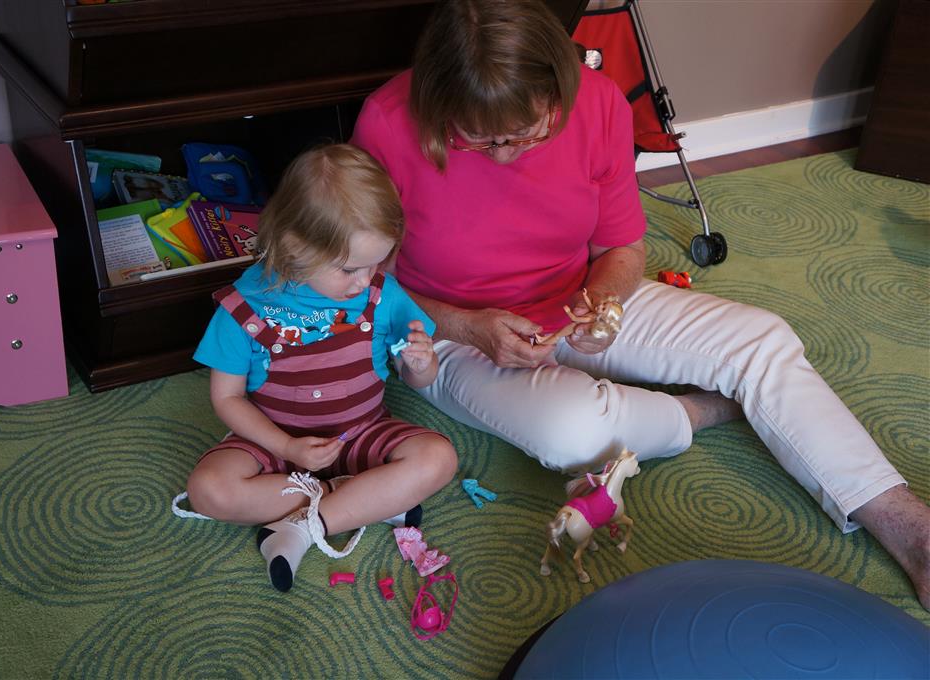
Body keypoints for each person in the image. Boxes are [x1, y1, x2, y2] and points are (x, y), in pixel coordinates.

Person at [351, 0, 929, 608]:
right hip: (440, 333)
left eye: (526, 134)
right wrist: (469, 327)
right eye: (478, 139)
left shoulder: (598, 101)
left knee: (764, 339)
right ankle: (703, 410)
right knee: (570, 433)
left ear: (557, 93)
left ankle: (908, 527)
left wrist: (603, 303)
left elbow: (621, 247)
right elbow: (366, 282)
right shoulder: (388, 123)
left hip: (573, 297)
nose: (504, 155)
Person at [185, 144, 458, 592]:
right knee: (208, 490)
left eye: (376, 263)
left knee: (438, 458)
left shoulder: (382, 294)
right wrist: (287, 447)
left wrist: (422, 364)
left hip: (362, 432)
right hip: (275, 441)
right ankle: (362, 496)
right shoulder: (243, 307)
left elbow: (418, 380)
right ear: (296, 245)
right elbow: (227, 398)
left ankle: (303, 527)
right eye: (350, 269)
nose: (364, 280)